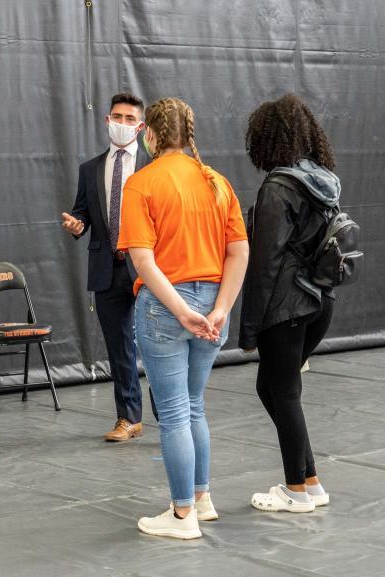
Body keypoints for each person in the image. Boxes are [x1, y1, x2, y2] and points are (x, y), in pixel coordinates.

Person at [118, 97, 249, 539]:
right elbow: (239, 250)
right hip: (214, 306)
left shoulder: (142, 183)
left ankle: (181, 516)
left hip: (165, 309)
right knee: (193, 406)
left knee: (173, 411)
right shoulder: (216, 181)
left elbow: (143, 259)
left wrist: (182, 311)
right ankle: (201, 499)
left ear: (150, 135)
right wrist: (219, 309)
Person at [239, 93, 340, 512]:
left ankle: (295, 490)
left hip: (286, 307)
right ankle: (310, 480)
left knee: (284, 392)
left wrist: (247, 329)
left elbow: (265, 264)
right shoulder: (322, 181)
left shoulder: (279, 188)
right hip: (319, 302)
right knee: (276, 388)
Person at [61, 93, 156, 442]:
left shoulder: (153, 165)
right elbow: (83, 212)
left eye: (130, 118)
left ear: (142, 126)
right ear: (106, 120)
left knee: (158, 345)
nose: (122, 123)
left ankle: (170, 413)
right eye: (117, 116)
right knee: (120, 348)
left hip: (149, 270)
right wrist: (78, 225)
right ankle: (128, 418)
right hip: (107, 268)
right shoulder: (91, 168)